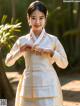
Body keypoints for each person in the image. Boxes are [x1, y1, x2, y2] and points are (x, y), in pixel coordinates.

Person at [5, 1, 68, 106]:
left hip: (49, 87)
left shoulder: (53, 40)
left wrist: (52, 52)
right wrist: (21, 50)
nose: (37, 21)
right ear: (28, 19)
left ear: (45, 19)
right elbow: (8, 62)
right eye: (33, 18)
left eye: (41, 18)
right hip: (28, 86)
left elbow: (64, 64)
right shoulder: (22, 40)